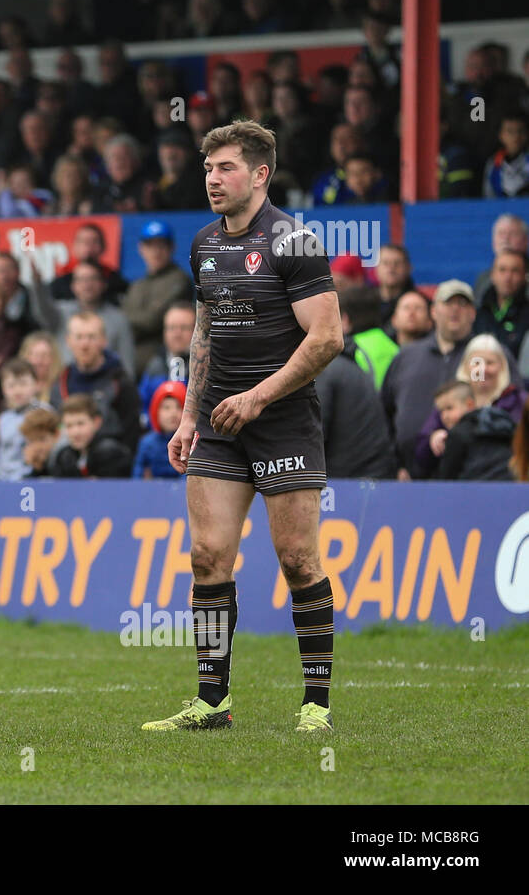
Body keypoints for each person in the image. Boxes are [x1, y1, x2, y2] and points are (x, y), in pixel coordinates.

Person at [148, 120, 342, 735]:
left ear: (260, 174)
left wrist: (258, 397)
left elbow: (328, 337)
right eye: (208, 168)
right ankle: (212, 703)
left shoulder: (296, 241)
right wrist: (187, 417)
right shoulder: (204, 243)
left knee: (296, 559)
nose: (212, 178)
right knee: (208, 557)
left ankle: (316, 703)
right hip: (219, 425)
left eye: (226, 167)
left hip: (281, 422)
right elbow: (203, 335)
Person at [381, 280, 476, 477]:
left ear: (473, 313)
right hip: (408, 477)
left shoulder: (485, 355)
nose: (455, 309)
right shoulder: (406, 356)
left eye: (462, 303)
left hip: (470, 477)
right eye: (448, 303)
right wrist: (395, 466)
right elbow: (383, 415)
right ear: (433, 312)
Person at [413, 333, 526, 479]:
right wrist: (432, 440)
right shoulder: (450, 401)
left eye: (490, 363)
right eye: (476, 363)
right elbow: (421, 456)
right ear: (466, 366)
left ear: (502, 366)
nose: (483, 369)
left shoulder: (519, 401)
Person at [53, 311, 142, 453]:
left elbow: (132, 436)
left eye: (91, 337)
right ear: (68, 341)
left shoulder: (120, 383)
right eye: (79, 337)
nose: (84, 344)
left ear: (103, 341)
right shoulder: (60, 382)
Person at [316, 332, 396, 479]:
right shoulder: (350, 365)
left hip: (348, 477)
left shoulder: (326, 371)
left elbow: (316, 432)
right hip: (371, 473)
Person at [123, 220, 194, 375]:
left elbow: (152, 321)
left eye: (161, 245)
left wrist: (129, 320)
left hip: (166, 361)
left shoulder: (179, 280)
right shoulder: (137, 285)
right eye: (150, 245)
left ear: (172, 248)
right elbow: (126, 321)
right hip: (135, 360)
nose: (156, 251)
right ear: (141, 249)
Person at [432, 379, 517, 481]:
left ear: (470, 404)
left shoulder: (457, 434)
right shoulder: (503, 425)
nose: (444, 416)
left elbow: (447, 479)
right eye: (441, 411)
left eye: (449, 408)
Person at [0, 357, 51, 482]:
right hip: (2, 480)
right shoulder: (4, 418)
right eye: (11, 385)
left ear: (36, 384)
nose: (17, 390)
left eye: (23, 384)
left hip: (30, 481)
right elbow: (1, 453)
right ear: (3, 389)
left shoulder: (44, 412)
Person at [47, 393, 131, 478]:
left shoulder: (110, 453)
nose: (75, 432)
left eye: (81, 424)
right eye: (69, 426)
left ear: (97, 422)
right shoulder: (64, 457)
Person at [138, 301, 194, 414]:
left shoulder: (206, 366)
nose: (177, 334)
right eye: (172, 328)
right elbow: (143, 407)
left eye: (184, 328)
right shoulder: (155, 365)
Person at [474, 249, 529, 356]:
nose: (508, 277)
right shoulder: (478, 312)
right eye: (502, 270)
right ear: (492, 275)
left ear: (524, 276)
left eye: (515, 271)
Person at [133, 380, 186, 479]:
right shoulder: (146, 443)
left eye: (178, 407)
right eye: (166, 407)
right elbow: (137, 478)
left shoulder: (190, 443)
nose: (173, 413)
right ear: (156, 412)